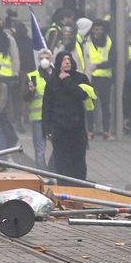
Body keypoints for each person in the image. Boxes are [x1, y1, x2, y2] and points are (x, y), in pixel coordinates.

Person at [42, 50, 97, 180]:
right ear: (58, 63)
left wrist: (67, 81)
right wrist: (46, 129)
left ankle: (80, 187)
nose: (67, 62)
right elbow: (47, 106)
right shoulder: (52, 81)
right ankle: (65, 187)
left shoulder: (80, 78)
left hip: (77, 128)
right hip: (59, 128)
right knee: (62, 162)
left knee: (78, 160)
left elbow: (82, 95)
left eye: (69, 59)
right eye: (64, 60)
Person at [79, 18, 115, 139]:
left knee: (105, 105)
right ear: (92, 29)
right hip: (91, 77)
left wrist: (98, 65)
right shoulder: (86, 41)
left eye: (100, 29)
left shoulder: (109, 42)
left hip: (105, 77)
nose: (98, 32)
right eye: (95, 29)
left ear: (104, 30)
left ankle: (106, 131)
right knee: (90, 104)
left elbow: (112, 61)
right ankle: (90, 130)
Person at [25, 48, 52, 168]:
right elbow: (25, 98)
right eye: (41, 58)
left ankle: (52, 170)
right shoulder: (32, 76)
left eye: (46, 58)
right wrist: (30, 91)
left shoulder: (58, 75)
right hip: (38, 118)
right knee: (40, 150)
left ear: (51, 59)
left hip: (54, 118)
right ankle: (43, 174)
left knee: (60, 148)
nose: (44, 60)